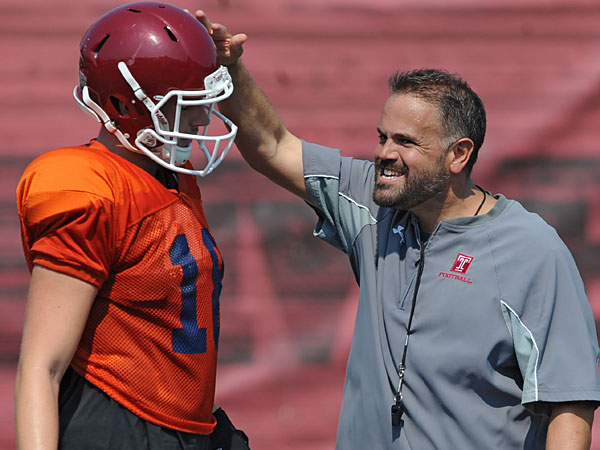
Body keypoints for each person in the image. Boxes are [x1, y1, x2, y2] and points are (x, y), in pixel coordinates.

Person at [194, 11, 600, 450]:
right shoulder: (373, 204)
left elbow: (569, 404)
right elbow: (272, 146)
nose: (383, 153)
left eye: (405, 142)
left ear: (458, 155)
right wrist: (229, 68)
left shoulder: (531, 249)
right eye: (382, 136)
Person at [14, 3, 250, 449]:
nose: (201, 120)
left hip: (188, 428)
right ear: (123, 105)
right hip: (118, 423)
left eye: (202, 103)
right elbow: (41, 367)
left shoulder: (170, 174)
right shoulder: (87, 186)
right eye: (185, 107)